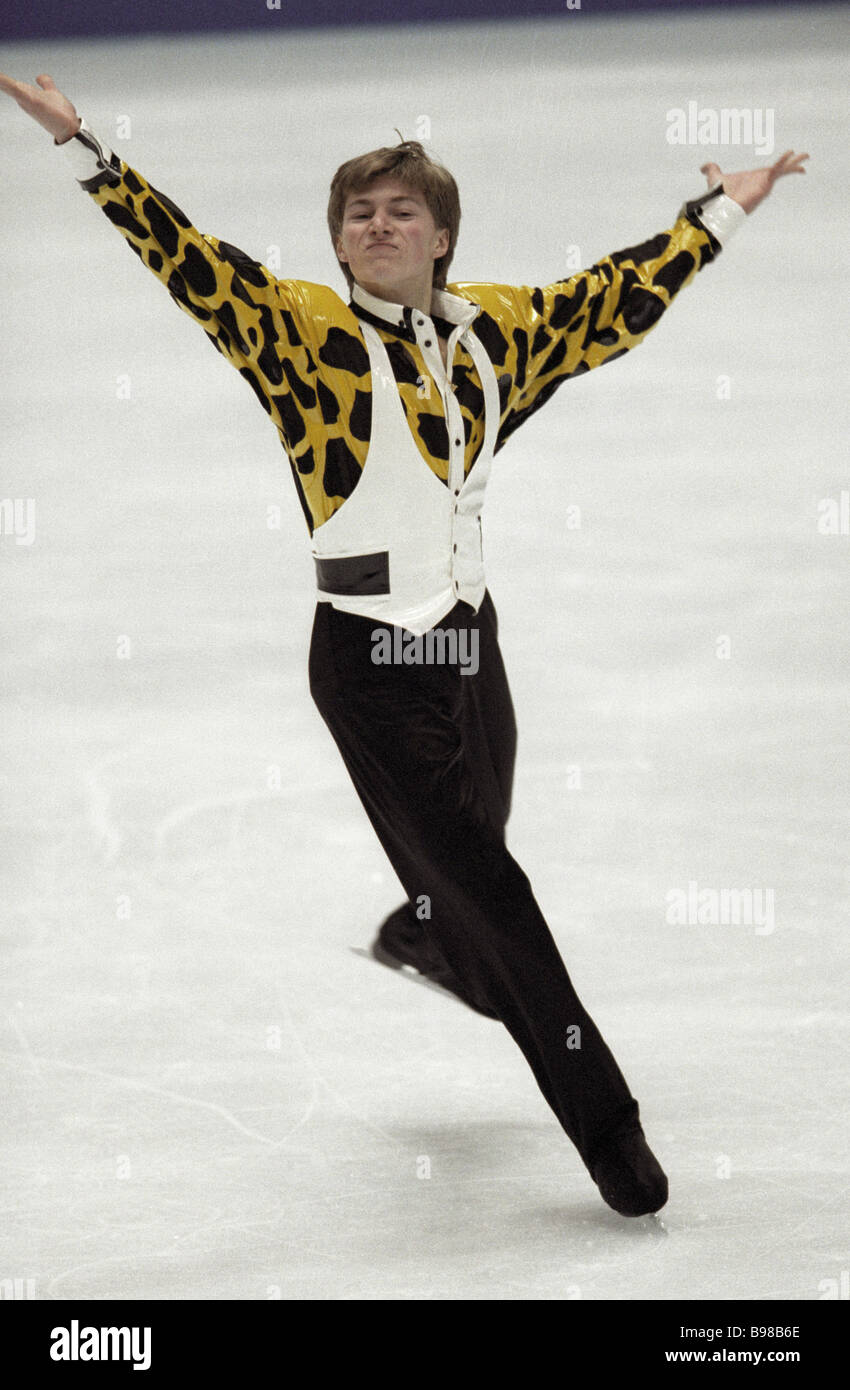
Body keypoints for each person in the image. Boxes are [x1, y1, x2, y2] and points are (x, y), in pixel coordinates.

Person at [0, 71, 808, 1218]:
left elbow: (613, 298)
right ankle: (612, 1137)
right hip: (370, 659)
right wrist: (83, 146)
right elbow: (184, 256)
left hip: (465, 641)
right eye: (356, 214)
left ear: (440, 236)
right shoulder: (298, 331)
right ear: (339, 241)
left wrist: (722, 210)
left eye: (397, 212)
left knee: (478, 851)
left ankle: (423, 935)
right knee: (501, 898)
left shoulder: (491, 334)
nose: (374, 226)